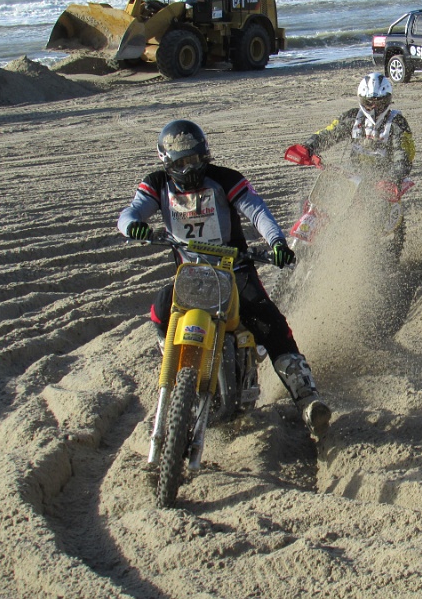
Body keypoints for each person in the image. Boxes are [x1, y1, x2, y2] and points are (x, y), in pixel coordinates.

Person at [118, 119, 331, 440]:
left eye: (195, 160)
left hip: (235, 268)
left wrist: (276, 243)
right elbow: (130, 212)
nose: (189, 168)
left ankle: (307, 399)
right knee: (161, 308)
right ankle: (176, 363)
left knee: (268, 320)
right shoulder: (157, 184)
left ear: (205, 156)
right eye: (181, 162)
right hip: (191, 273)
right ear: (167, 162)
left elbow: (257, 211)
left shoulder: (225, 179)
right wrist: (132, 225)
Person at [295, 72, 416, 255]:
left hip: (381, 180)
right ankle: (307, 244)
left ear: (388, 100)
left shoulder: (397, 123)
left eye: (379, 102)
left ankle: (369, 256)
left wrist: (392, 177)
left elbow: (404, 156)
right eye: (369, 101)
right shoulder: (353, 117)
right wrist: (308, 147)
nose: (374, 106)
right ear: (362, 100)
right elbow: (330, 133)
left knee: (373, 219)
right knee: (311, 200)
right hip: (353, 175)